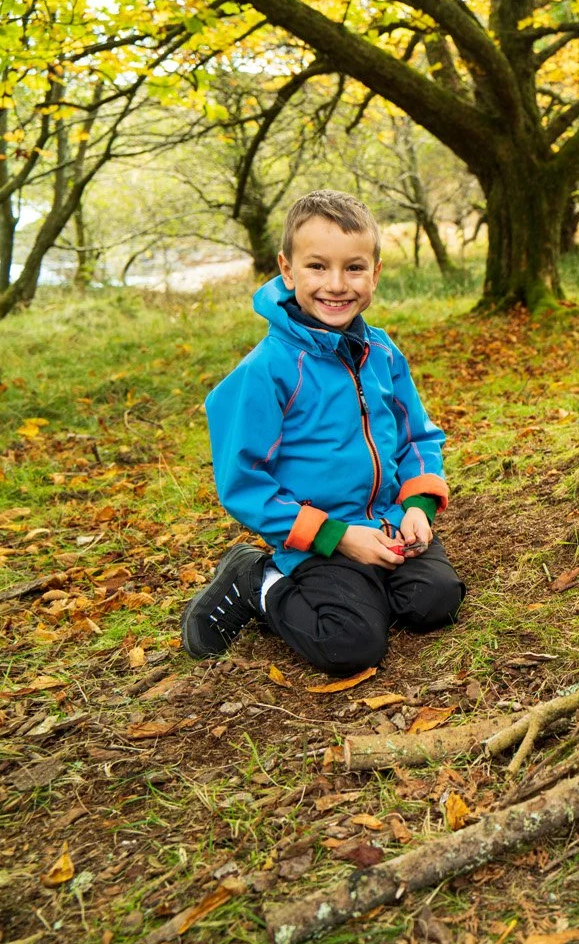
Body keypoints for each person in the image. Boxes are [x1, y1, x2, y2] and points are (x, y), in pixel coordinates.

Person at [182, 190, 465, 674]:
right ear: (287, 270)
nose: (336, 285)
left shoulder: (382, 352)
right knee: (349, 645)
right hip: (316, 539)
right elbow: (244, 484)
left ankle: (365, 587)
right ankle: (255, 581)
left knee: (435, 601)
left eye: (354, 268)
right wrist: (337, 535)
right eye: (317, 266)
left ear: (375, 273)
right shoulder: (266, 371)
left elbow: (417, 436)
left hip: (389, 524)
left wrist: (417, 507)